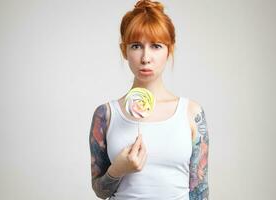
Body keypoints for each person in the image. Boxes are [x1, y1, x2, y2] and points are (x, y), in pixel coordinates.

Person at [89, 0, 209, 199]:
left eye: (156, 46)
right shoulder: (105, 115)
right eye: (136, 46)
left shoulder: (191, 113)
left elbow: (200, 192)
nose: (145, 58)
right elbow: (100, 191)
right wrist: (118, 170)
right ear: (124, 51)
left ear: (169, 50)